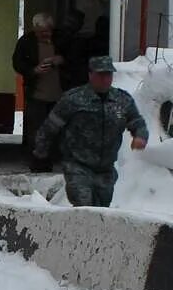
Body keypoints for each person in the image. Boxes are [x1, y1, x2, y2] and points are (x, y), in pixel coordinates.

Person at [34, 55, 149, 207]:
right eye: (100, 75)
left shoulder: (122, 100)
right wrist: (40, 152)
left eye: (108, 75)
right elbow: (50, 127)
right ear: (90, 75)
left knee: (102, 210)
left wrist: (140, 136)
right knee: (84, 207)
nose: (105, 79)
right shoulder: (73, 99)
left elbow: (137, 122)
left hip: (105, 168)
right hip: (77, 165)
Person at [12, 13, 63, 171]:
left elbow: (75, 58)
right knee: (36, 129)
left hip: (58, 95)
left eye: (48, 31)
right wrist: (34, 70)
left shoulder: (60, 40)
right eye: (41, 32)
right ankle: (37, 160)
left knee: (56, 128)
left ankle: (51, 159)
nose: (45, 35)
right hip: (36, 93)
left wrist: (59, 60)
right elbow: (17, 63)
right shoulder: (26, 42)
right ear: (35, 30)